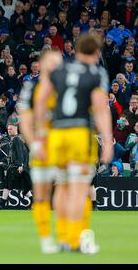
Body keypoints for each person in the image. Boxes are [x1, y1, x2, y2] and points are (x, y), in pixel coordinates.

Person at [34, 34, 113, 254]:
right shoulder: (96, 73)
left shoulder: (60, 70)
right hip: (80, 134)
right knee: (79, 189)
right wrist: (107, 141)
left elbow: (40, 100)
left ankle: (63, 237)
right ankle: (76, 239)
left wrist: (41, 131)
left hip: (58, 133)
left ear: (76, 50)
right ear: (96, 53)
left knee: (61, 186)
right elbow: (100, 108)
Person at [19, 50, 62, 253]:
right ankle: (45, 237)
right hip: (41, 145)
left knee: (65, 190)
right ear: (43, 65)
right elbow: (25, 122)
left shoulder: (68, 85)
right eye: (52, 63)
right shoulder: (32, 88)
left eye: (58, 63)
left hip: (64, 146)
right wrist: (34, 145)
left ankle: (66, 235)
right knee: (42, 194)